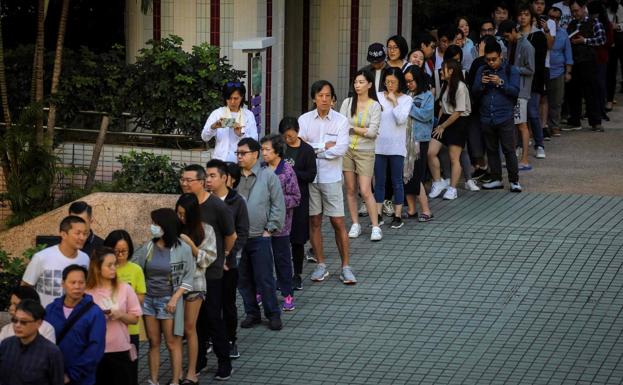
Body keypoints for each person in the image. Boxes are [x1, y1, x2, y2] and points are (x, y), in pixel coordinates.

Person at [179, 164, 236, 378]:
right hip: (189, 274)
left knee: (213, 316)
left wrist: (224, 257)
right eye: (182, 179)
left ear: (202, 182)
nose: (184, 183)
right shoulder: (184, 204)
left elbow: (231, 235)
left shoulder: (217, 207)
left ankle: (224, 361)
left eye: (189, 180)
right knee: (196, 322)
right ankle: (199, 360)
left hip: (211, 271)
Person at [298, 80, 357, 284]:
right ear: (314, 98)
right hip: (311, 179)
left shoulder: (341, 121)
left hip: (332, 178)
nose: (324, 99)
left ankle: (346, 267)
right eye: (320, 95)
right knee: (314, 221)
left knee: (338, 221)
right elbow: (300, 147)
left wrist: (314, 150)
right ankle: (321, 265)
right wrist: (324, 146)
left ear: (333, 99)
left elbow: (341, 149)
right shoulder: (304, 120)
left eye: (328, 96)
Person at [133, 208, 196, 385]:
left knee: (172, 342)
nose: (152, 227)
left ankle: (175, 381)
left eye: (156, 224)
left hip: (169, 301)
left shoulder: (182, 249)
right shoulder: (149, 246)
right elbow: (137, 269)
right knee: (153, 342)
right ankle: (154, 380)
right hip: (149, 301)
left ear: (165, 226)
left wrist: (175, 298)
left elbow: (188, 276)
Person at [236, 137, 286, 330]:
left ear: (255, 154)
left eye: (243, 153)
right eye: (238, 153)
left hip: (260, 237)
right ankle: (252, 313)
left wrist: (270, 229)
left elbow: (278, 204)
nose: (239, 157)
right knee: (243, 279)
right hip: (238, 239)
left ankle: (273, 314)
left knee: (265, 278)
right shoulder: (233, 176)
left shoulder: (268, 176)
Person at [205, 160, 249, 359]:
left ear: (225, 178)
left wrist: (229, 255)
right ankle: (207, 338)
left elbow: (242, 232)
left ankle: (231, 340)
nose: (208, 180)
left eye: (212, 176)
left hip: (229, 264)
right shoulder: (202, 201)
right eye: (206, 176)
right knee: (207, 304)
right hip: (205, 263)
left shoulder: (237, 201)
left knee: (228, 304)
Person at [175, 193, 218, 384]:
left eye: (184, 214)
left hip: (195, 284)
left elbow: (208, 259)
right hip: (174, 286)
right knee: (176, 331)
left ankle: (191, 373)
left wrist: (192, 245)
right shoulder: (173, 229)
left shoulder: (206, 230)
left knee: (190, 328)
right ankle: (177, 374)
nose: (181, 218)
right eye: (178, 213)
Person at [86, 246, 142, 385]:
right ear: (97, 268)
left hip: (120, 349)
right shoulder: (87, 292)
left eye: (114, 264)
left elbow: (135, 318)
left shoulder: (125, 288)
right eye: (109, 265)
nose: (114, 268)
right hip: (94, 351)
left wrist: (120, 314)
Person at [472, 40, 523, 192]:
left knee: (509, 150)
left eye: (494, 59)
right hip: (486, 116)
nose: (491, 62)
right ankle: (496, 179)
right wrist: (481, 83)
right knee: (491, 149)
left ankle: (514, 181)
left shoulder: (510, 70)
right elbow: (474, 92)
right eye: (488, 59)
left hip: (505, 116)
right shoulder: (482, 70)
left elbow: (515, 91)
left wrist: (500, 83)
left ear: (501, 56)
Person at [338, 69, 383, 241]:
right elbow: (341, 126)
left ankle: (375, 226)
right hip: (347, 150)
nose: (357, 85)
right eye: (356, 82)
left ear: (370, 85)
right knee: (350, 189)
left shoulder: (375, 106)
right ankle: (355, 223)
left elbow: (372, 132)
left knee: (365, 190)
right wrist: (360, 130)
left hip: (365, 151)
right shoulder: (348, 103)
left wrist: (352, 129)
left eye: (361, 82)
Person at [45, 264, 106, 385]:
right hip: (53, 375)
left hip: (83, 379)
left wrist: (72, 374)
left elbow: (96, 348)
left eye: (81, 282)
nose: (77, 287)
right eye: (72, 282)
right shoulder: (51, 309)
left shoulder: (95, 312)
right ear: (63, 283)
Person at [260, 134, 301, 310]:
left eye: (267, 149)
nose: (263, 153)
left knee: (282, 260)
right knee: (262, 261)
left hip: (281, 226)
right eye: (262, 149)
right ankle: (262, 292)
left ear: (277, 151)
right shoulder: (260, 169)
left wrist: (275, 199)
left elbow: (296, 197)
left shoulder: (287, 170)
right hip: (260, 224)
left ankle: (287, 294)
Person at [278, 117, 317, 290]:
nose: (288, 140)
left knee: (297, 239)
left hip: (299, 199)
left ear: (297, 131)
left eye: (291, 136)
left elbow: (311, 175)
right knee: (280, 239)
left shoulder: (307, 150)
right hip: (280, 200)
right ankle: (282, 275)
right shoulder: (280, 149)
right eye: (285, 137)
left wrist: (292, 172)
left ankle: (297, 274)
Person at [102, 230, 145, 385]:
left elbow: (141, 295)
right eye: (116, 251)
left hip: (129, 328)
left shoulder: (136, 269)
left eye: (124, 251)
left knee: (129, 372)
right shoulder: (103, 269)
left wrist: (124, 301)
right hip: (106, 329)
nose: (120, 255)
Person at [427, 59, 471, 201]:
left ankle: (452, 188)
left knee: (454, 158)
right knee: (430, 152)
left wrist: (442, 126)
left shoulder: (460, 87)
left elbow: (458, 112)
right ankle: (438, 182)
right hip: (445, 119)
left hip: (459, 122)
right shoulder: (446, 84)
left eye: (443, 68)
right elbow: (441, 106)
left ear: (451, 71)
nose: (440, 71)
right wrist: (438, 124)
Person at [22, 215, 90, 307]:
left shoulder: (85, 258)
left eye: (85, 233)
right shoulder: (41, 257)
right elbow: (25, 288)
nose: (82, 237)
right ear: (63, 234)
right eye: (78, 233)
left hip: (76, 318)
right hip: (46, 317)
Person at [374, 67, 412, 227]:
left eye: (393, 82)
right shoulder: (377, 97)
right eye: (387, 82)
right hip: (378, 145)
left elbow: (401, 119)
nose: (390, 85)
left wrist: (394, 101)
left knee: (397, 181)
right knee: (379, 182)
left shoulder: (406, 99)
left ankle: (397, 216)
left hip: (396, 146)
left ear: (400, 83)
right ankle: (377, 214)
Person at [0, 299, 64, 385]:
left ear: (39, 323)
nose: (17, 325)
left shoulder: (52, 353)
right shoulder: (6, 344)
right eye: (15, 320)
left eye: (23, 322)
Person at [499, 19, 535, 171]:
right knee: (513, 124)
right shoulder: (511, 44)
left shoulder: (527, 46)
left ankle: (525, 159)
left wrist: (513, 69)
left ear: (514, 30)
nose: (506, 39)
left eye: (507, 36)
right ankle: (514, 158)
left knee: (522, 125)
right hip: (512, 88)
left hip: (521, 90)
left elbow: (531, 69)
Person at [566, 0, 605, 132]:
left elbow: (601, 39)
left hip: (588, 62)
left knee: (591, 93)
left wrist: (585, 40)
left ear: (583, 8)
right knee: (574, 93)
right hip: (574, 62)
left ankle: (595, 122)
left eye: (576, 10)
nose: (574, 13)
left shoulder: (594, 22)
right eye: (572, 11)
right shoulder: (571, 24)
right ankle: (575, 120)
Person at [403, 66, 434, 222]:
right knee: (406, 174)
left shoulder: (427, 96)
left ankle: (426, 210)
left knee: (416, 176)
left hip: (419, 140)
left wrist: (408, 106)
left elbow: (425, 115)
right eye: (406, 81)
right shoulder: (407, 95)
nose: (408, 84)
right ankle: (411, 209)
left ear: (418, 79)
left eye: (411, 81)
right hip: (405, 139)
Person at [518, 3, 548, 160]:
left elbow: (541, 63)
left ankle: (539, 144)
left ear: (531, 17)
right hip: (517, 81)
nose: (523, 17)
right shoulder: (515, 34)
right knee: (518, 115)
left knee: (532, 112)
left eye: (526, 14)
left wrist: (540, 84)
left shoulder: (538, 36)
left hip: (533, 80)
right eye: (521, 14)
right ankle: (519, 144)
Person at [201, 82, 258, 162]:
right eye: (229, 98)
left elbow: (254, 140)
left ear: (242, 97)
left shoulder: (248, 115)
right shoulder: (217, 113)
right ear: (225, 98)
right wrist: (213, 127)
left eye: (236, 98)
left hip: (241, 162)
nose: (232, 102)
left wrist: (241, 134)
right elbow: (204, 137)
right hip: (221, 162)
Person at [547, 6, 574, 137]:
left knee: (557, 101)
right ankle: (543, 126)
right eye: (551, 17)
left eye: (557, 18)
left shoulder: (563, 34)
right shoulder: (541, 31)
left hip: (558, 71)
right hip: (543, 71)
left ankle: (555, 126)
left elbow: (568, 54)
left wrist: (568, 72)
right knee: (542, 101)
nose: (554, 20)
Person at [606, 0, 623, 110]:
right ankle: (609, 100)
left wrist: (617, 26)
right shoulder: (603, 7)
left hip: (621, 41)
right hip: (609, 43)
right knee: (610, 72)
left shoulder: (620, 8)